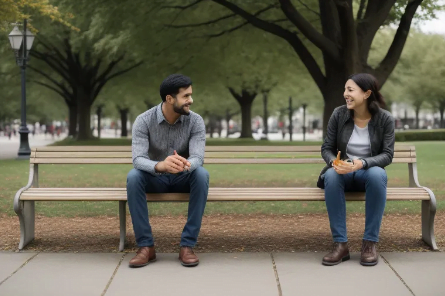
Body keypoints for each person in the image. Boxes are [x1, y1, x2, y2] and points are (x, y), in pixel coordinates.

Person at [127, 74, 208, 268]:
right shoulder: (143, 121)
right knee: (134, 177)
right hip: (156, 178)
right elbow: (138, 159)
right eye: (186, 96)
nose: (191, 100)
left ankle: (187, 245)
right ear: (169, 99)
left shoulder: (196, 121)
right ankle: (146, 247)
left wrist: (185, 165)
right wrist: (160, 166)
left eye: (190, 95)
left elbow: (198, 157)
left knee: (202, 174)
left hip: (184, 177)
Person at [317, 73, 395, 267]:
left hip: (368, 172)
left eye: (350, 90)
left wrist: (361, 163)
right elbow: (326, 147)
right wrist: (335, 163)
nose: (345, 94)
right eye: (345, 89)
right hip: (342, 171)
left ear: (367, 93)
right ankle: (340, 245)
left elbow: (387, 155)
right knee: (331, 175)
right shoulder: (339, 114)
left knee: (378, 174)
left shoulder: (385, 119)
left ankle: (369, 244)